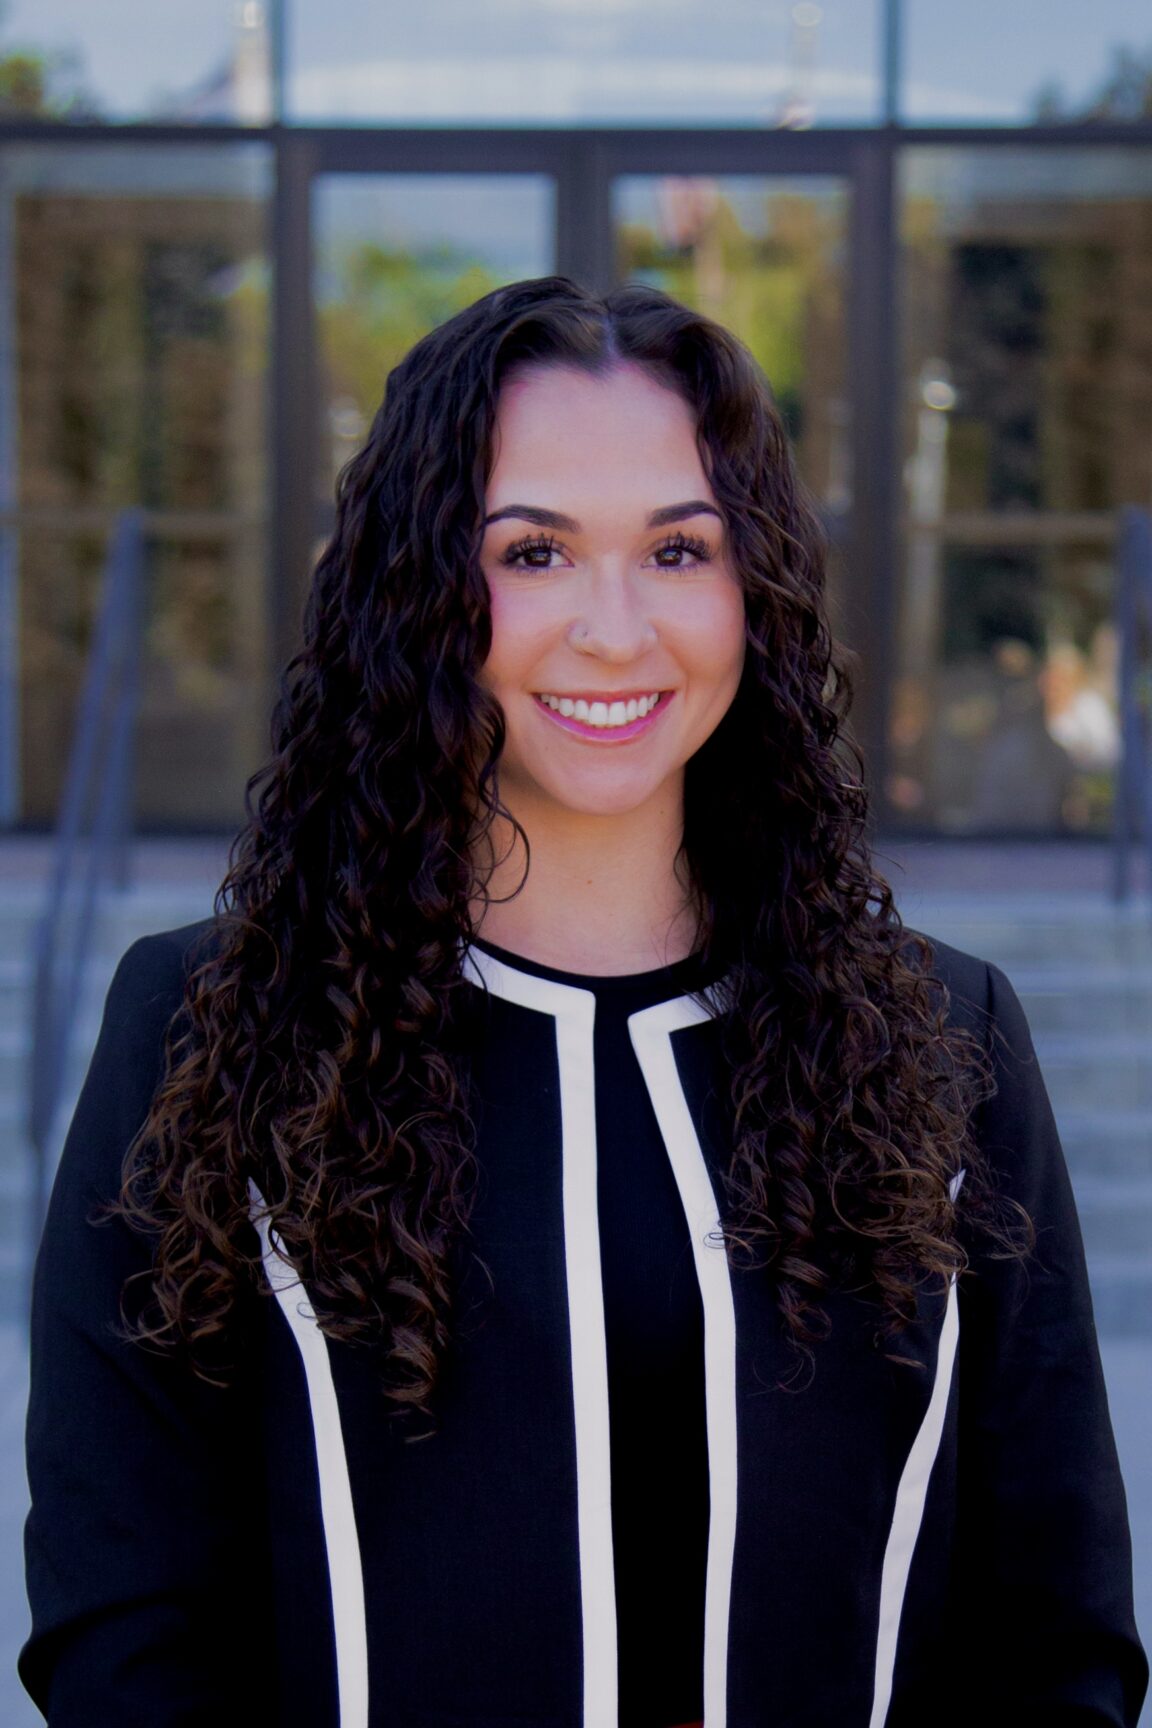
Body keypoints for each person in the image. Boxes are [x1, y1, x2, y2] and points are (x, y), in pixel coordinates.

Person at [19, 276, 1148, 1728]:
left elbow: (1058, 1626)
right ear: (419, 587)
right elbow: (126, 1618)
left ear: (759, 591)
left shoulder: (944, 1043)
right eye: (534, 551)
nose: (616, 631)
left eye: (682, 549)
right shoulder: (216, 1031)